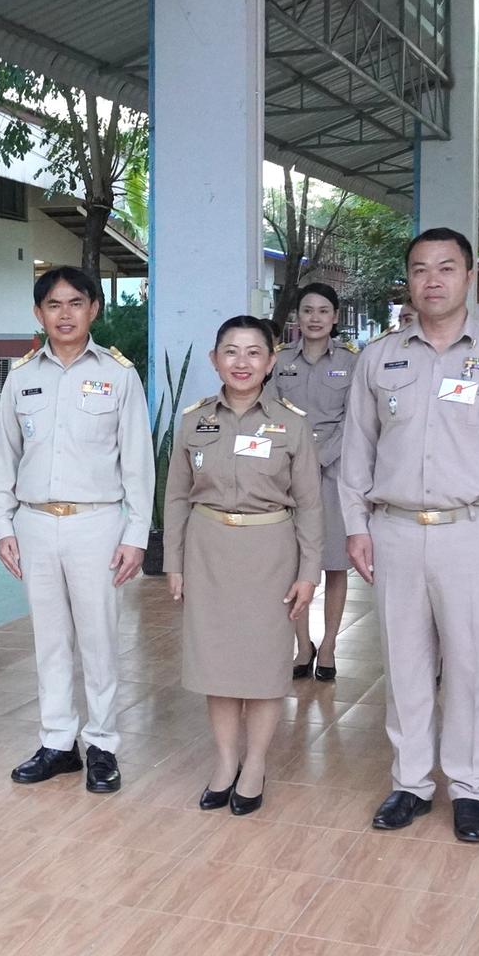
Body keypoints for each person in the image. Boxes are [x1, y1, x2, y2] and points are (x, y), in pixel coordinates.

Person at [340, 227, 479, 843]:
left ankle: (472, 788)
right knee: (403, 663)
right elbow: (357, 450)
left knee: (473, 664)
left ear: (469, 275)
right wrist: (356, 526)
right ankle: (410, 782)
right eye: (421, 269)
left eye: (446, 268)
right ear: (409, 279)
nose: (433, 280)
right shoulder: (379, 358)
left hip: (474, 532)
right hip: (395, 529)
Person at [0, 267, 153, 793]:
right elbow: (1, 461)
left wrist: (136, 535)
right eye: (53, 305)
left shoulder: (119, 375)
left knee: (100, 640)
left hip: (96, 524)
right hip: (35, 524)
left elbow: (139, 464)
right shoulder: (20, 377)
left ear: (94, 309)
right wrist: (1, 527)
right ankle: (58, 742)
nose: (64, 314)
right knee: (50, 641)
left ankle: (102, 743)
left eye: (75, 303)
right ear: (39, 313)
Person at [165, 316, 322, 816]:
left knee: (262, 665)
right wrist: (174, 561)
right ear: (214, 360)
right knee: (218, 665)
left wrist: (308, 572)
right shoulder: (193, 420)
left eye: (254, 352)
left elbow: (311, 504)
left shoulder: (291, 423)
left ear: (271, 362)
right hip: (208, 549)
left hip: (270, 552)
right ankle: (225, 762)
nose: (242, 362)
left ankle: (255, 765)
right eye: (230, 351)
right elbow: (174, 497)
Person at [273, 282, 361, 681]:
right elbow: (272, 413)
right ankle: (302, 644)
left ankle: (328, 645)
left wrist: (320, 457)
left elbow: (354, 419)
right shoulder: (279, 361)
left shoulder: (350, 362)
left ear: (335, 317)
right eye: (307, 310)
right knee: (294, 562)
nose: (314, 318)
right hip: (287, 475)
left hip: (334, 472)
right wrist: (293, 459)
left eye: (323, 311)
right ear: (297, 316)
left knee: (335, 564)